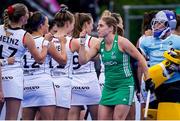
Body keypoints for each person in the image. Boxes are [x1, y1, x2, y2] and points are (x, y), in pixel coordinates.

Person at [78, 15, 150, 120]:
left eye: (101, 26)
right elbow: (83, 60)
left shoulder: (122, 42)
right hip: (108, 87)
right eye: (98, 26)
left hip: (124, 86)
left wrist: (148, 78)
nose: (97, 28)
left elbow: (141, 59)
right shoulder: (99, 44)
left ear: (111, 28)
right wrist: (82, 42)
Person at [0, 3, 49, 120]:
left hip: (2, 72)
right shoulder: (25, 36)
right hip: (13, 77)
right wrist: (46, 42)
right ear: (23, 18)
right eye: (27, 13)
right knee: (11, 118)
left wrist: (4, 61)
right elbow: (40, 59)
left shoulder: (0, 29)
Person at [22, 11, 65, 120]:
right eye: (47, 24)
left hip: (26, 84)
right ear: (41, 25)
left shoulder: (24, 40)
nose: (49, 26)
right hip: (43, 84)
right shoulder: (45, 42)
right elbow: (63, 61)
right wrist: (63, 44)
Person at [139, 10, 180, 108]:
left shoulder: (178, 41)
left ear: (170, 25)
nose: (156, 25)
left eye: (160, 23)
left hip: (173, 83)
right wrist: (140, 86)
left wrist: (177, 67)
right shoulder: (146, 41)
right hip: (153, 83)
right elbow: (139, 64)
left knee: (169, 114)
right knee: (152, 114)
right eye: (155, 22)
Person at [68, 12, 101, 120]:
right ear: (86, 24)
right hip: (90, 81)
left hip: (73, 82)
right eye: (91, 24)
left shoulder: (68, 40)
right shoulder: (94, 41)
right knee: (98, 117)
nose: (93, 26)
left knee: (72, 117)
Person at [50, 5, 76, 120]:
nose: (74, 27)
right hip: (63, 81)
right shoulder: (72, 41)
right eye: (73, 24)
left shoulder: (45, 39)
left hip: (48, 81)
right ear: (68, 24)